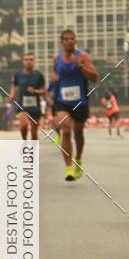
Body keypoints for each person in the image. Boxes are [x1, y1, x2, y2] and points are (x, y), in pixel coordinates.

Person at [49, 29, 98, 181]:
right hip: (62, 101)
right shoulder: (57, 58)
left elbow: (95, 77)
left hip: (80, 101)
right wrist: (54, 77)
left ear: (75, 41)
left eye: (72, 38)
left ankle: (78, 159)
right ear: (61, 42)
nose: (69, 41)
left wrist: (81, 67)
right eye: (66, 39)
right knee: (66, 130)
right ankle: (68, 168)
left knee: (78, 134)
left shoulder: (82, 56)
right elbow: (54, 73)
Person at [9, 53, 45, 140]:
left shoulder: (39, 75)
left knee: (33, 131)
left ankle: (33, 152)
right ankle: (24, 141)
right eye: (26, 59)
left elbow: (43, 90)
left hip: (35, 105)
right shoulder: (19, 75)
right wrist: (12, 94)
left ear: (34, 62)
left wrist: (35, 91)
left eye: (31, 59)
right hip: (22, 104)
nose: (29, 61)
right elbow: (14, 85)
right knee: (23, 125)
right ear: (23, 62)